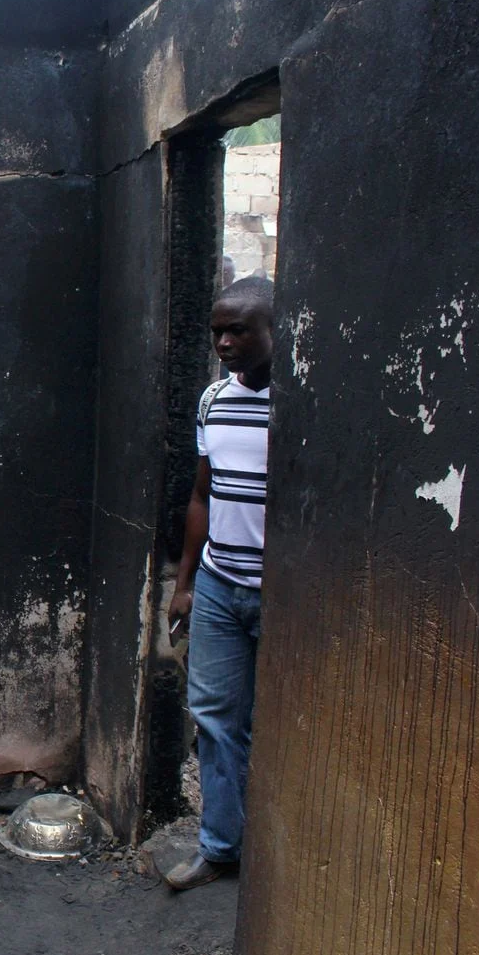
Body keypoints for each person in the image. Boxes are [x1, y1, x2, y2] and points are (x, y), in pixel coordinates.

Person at [163, 276, 275, 891]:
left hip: (280, 595)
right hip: (218, 585)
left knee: (275, 724)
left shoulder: (303, 405)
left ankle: (274, 854)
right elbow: (202, 494)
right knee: (213, 717)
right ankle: (221, 847)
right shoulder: (213, 401)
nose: (225, 343)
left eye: (239, 331)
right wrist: (185, 584)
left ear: (273, 333)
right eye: (218, 333)